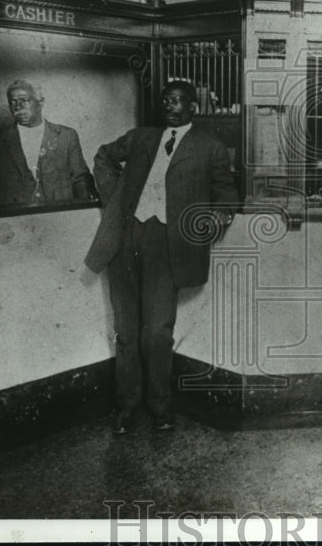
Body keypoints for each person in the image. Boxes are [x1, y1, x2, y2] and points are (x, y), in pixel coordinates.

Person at [84, 81, 237, 434]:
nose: (171, 106)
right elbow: (104, 157)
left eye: (179, 101)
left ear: (193, 108)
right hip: (126, 241)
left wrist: (216, 217)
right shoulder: (140, 137)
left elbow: (227, 196)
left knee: (156, 334)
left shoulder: (209, 148)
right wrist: (116, 200)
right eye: (167, 101)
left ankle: (160, 406)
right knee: (126, 332)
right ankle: (126, 407)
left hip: (168, 247)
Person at [0, 79, 96, 207]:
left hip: (59, 217)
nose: (18, 107)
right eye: (13, 101)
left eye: (24, 100)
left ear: (40, 102)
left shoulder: (67, 136)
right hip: (14, 221)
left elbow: (81, 180)